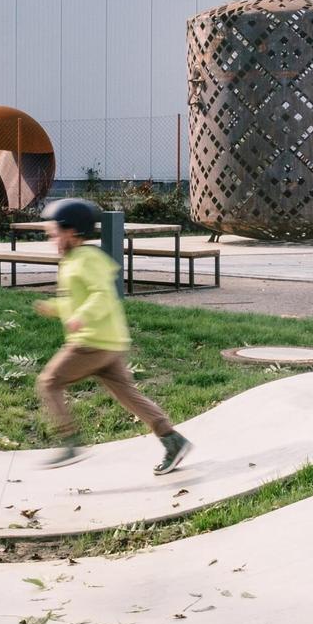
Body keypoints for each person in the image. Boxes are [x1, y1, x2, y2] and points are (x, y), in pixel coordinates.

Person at [32, 197, 193, 475]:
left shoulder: (86, 259)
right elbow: (75, 299)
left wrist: (82, 316)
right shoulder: (73, 261)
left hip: (91, 341)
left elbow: (102, 295)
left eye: (55, 233)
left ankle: (70, 441)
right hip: (108, 342)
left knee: (48, 382)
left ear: (73, 231)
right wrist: (55, 308)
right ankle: (172, 440)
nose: (52, 239)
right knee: (128, 395)